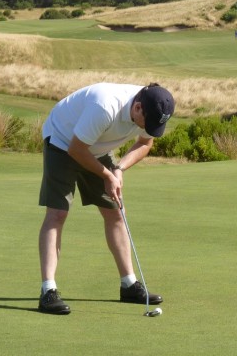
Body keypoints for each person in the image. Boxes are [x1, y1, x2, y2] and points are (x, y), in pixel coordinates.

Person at [37, 82, 174, 315]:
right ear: (138, 108)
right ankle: (48, 291)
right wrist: (106, 175)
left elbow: (144, 143)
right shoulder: (105, 106)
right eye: (147, 123)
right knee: (57, 213)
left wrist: (118, 169)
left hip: (96, 148)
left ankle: (129, 284)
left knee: (115, 212)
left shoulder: (152, 107)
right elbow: (77, 149)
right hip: (62, 141)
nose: (149, 129)